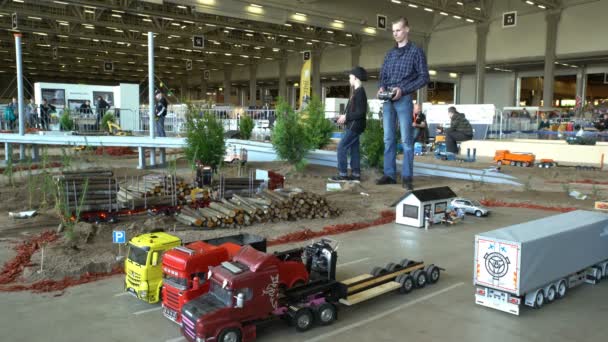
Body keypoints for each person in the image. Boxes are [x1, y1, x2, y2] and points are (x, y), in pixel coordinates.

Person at [376, 17, 430, 190]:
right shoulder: (390, 54)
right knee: (388, 139)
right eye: (393, 31)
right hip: (387, 100)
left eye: (398, 30)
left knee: (407, 140)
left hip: (404, 99)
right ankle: (389, 174)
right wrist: (381, 88)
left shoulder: (416, 52)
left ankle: (407, 177)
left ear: (407, 29)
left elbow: (424, 77)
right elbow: (382, 75)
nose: (395, 34)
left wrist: (403, 90)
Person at [329, 66, 368, 182]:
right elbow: (354, 111)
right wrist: (342, 117)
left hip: (354, 126)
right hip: (355, 125)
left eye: (350, 76)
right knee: (354, 149)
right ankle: (355, 175)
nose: (349, 79)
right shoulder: (357, 91)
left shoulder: (359, 92)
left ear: (355, 78)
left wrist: (346, 117)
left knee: (341, 147)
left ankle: (343, 174)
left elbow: (361, 112)